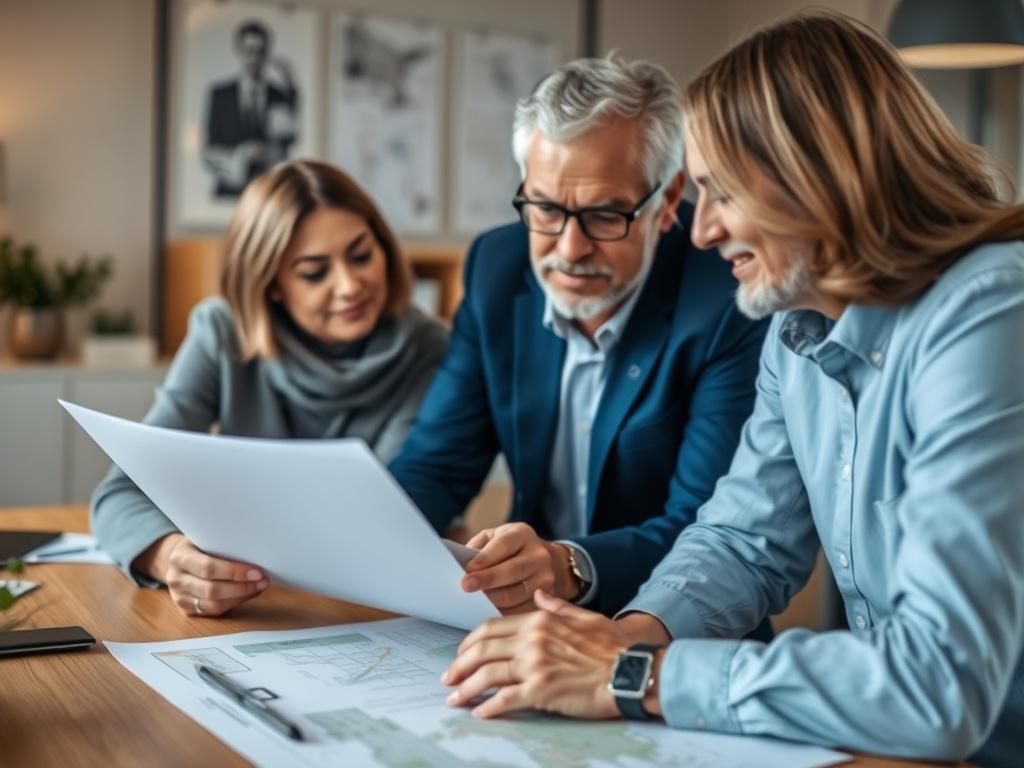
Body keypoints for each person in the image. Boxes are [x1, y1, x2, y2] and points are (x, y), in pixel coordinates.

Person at [442, 12, 1024, 768]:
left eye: (723, 192)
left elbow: (939, 686)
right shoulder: (797, 330)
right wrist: (618, 640)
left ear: (818, 179)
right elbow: (743, 544)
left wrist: (631, 675)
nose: (706, 232)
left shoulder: (993, 313)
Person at [388, 55, 771, 628]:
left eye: (603, 215)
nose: (568, 250)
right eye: (544, 208)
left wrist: (571, 565)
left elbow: (706, 524)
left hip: (681, 637)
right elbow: (437, 466)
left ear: (666, 203)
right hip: (524, 622)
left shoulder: (727, 298)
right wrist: (328, 545)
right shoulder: (497, 266)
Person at [92, 160, 448, 618]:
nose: (350, 285)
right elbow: (120, 493)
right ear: (271, 284)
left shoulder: (431, 349)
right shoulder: (222, 330)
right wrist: (171, 557)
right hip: (256, 611)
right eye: (314, 272)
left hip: (376, 610)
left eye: (361, 255)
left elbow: (390, 521)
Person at [203, 20, 298, 198]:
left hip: (267, 192)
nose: (254, 59)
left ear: (267, 54)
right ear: (239, 51)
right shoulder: (221, 95)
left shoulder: (279, 95)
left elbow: (288, 144)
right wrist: (238, 155)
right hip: (229, 190)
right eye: (249, 51)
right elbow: (209, 150)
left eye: (260, 52)